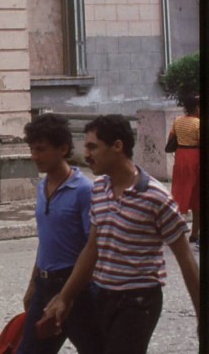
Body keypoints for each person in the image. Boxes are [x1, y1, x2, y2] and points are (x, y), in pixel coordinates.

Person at [41, 115, 200, 353]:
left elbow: (186, 259)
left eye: (92, 147)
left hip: (138, 302)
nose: (86, 155)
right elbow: (92, 248)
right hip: (103, 297)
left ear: (117, 146)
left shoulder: (155, 197)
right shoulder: (99, 189)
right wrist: (65, 297)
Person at [16, 114, 100, 354]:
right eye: (32, 149)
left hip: (76, 290)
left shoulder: (85, 190)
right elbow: (46, 240)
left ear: (63, 149)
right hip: (44, 286)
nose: (35, 156)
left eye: (41, 149)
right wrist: (33, 284)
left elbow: (92, 248)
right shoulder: (42, 187)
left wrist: (67, 295)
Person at [167, 94, 200, 246]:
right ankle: (194, 233)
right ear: (197, 108)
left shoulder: (177, 121)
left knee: (180, 192)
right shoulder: (198, 123)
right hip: (195, 158)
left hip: (180, 157)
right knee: (197, 195)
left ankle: (175, 232)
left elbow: (170, 140)